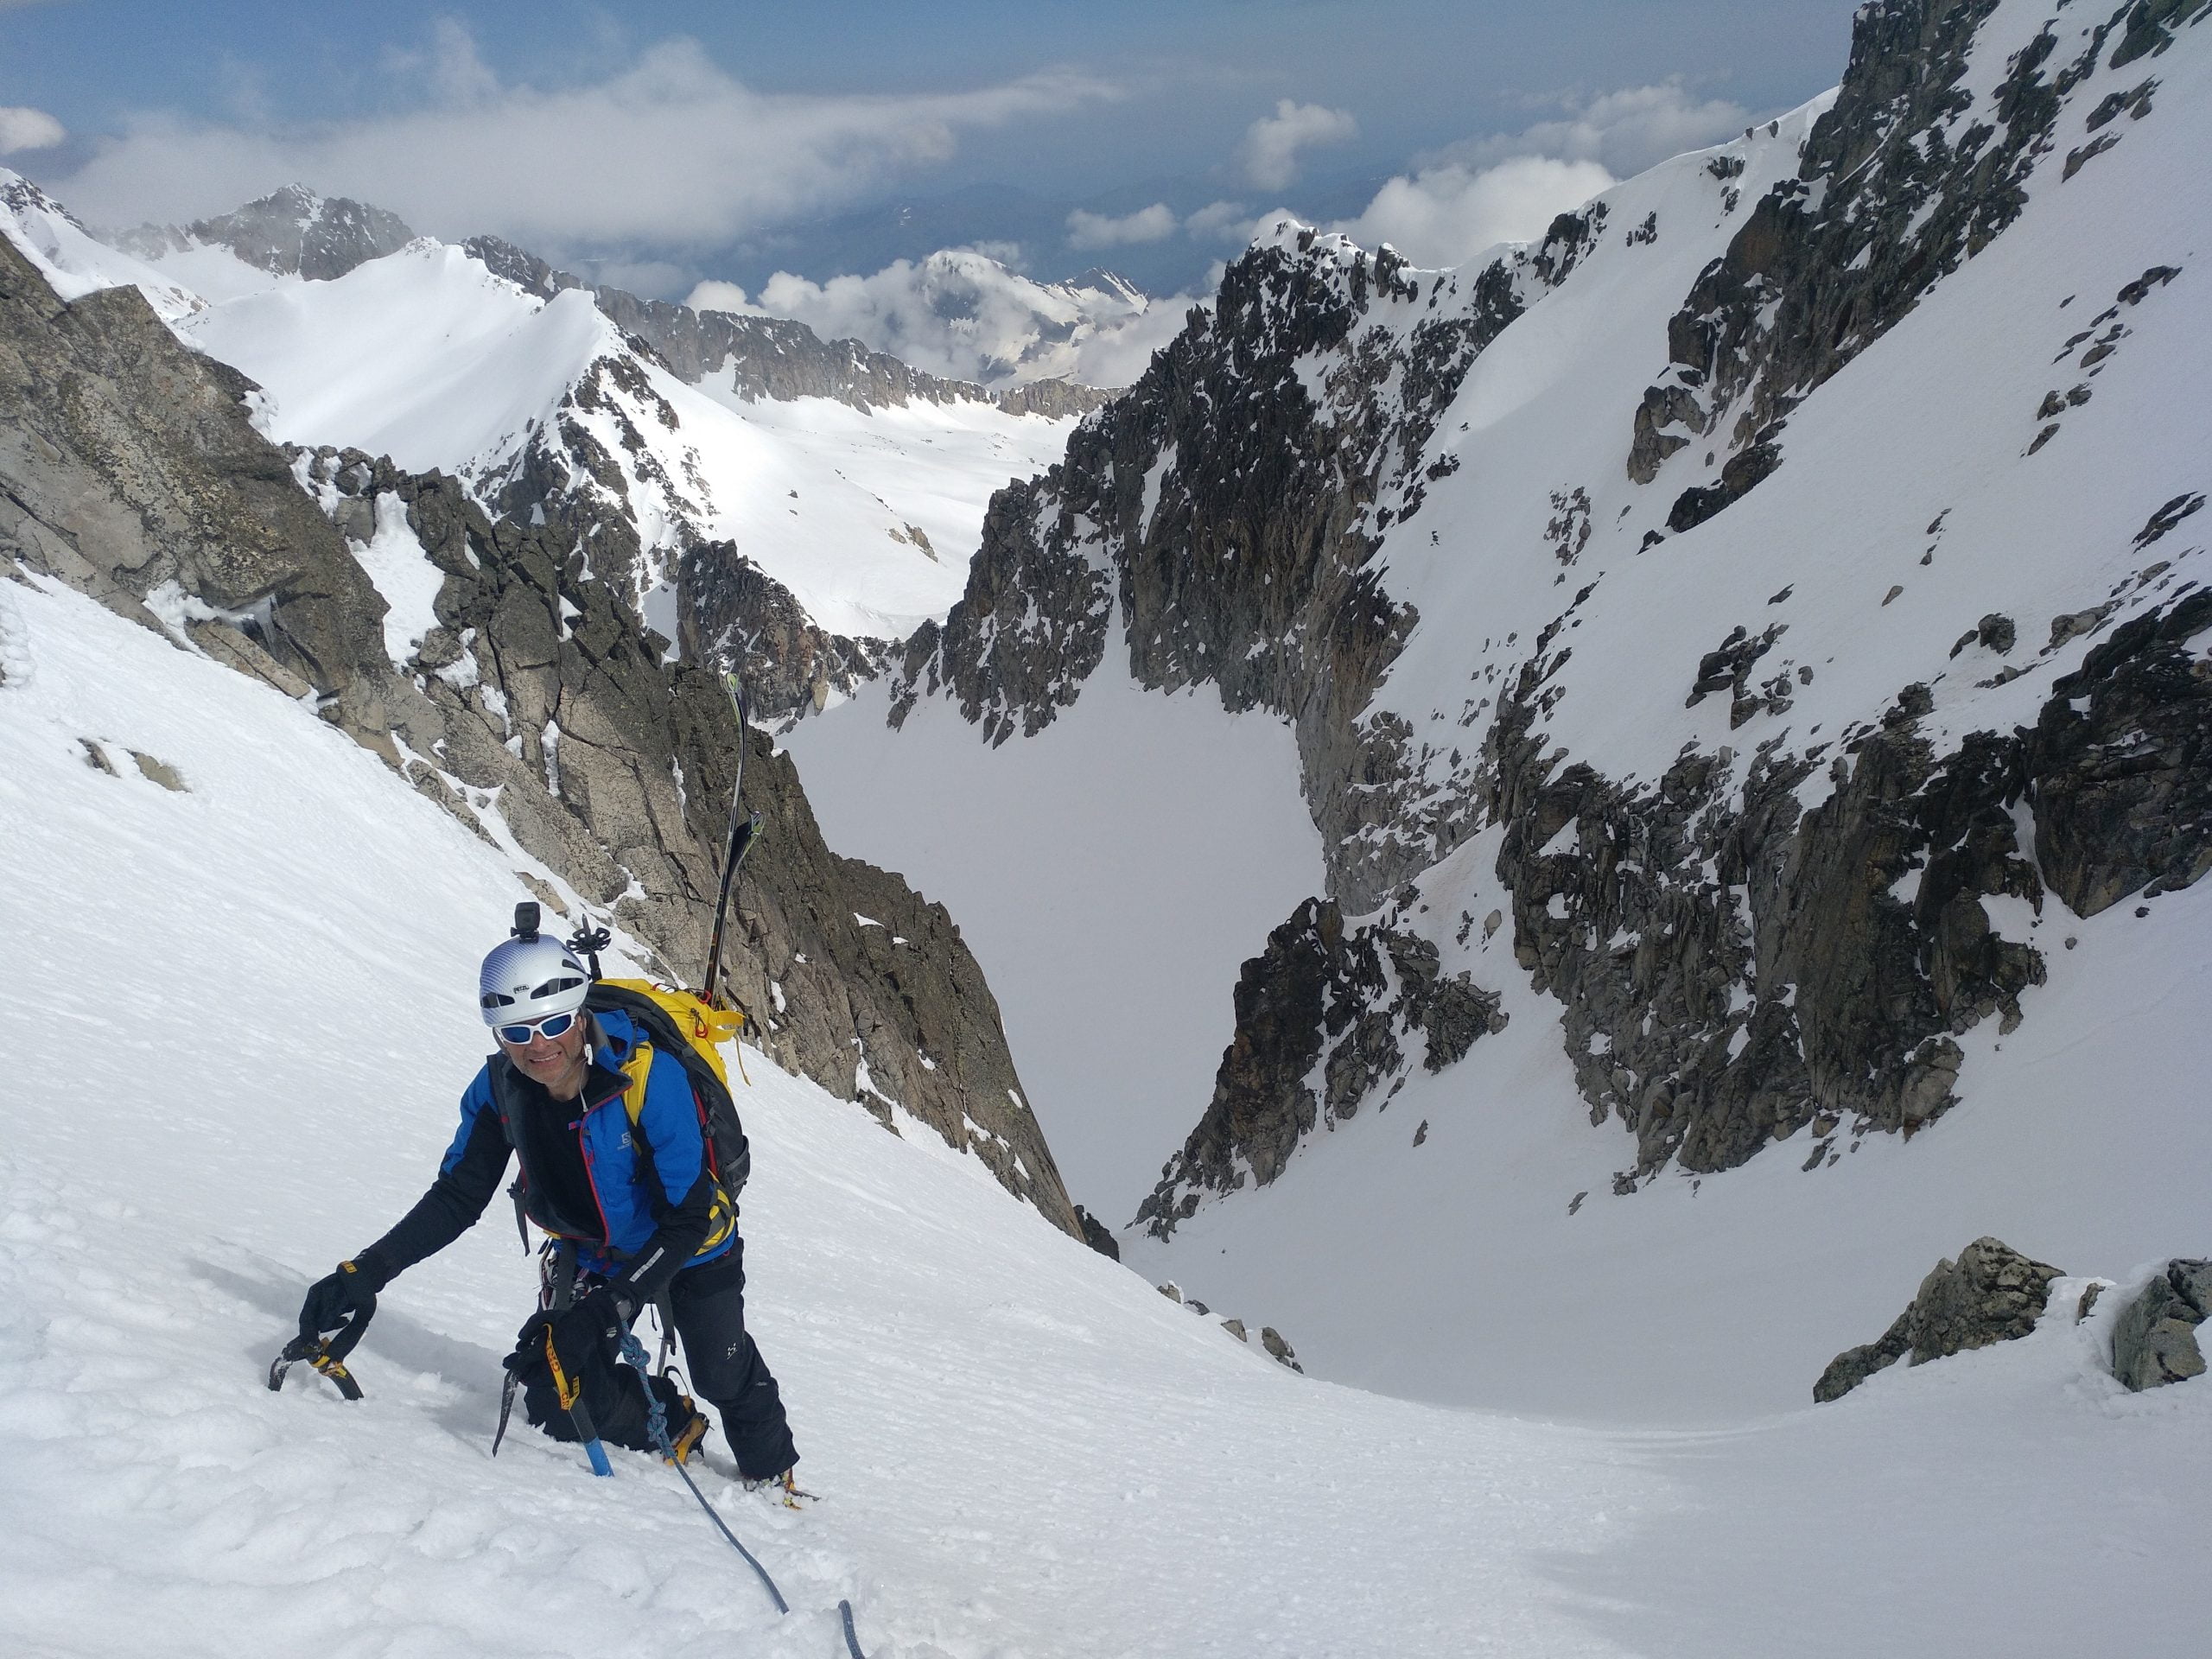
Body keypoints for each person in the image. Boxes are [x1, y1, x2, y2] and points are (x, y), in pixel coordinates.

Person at [295, 930, 799, 1489]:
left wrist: (606, 1309)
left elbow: (688, 1216)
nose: (539, 1047)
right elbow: (459, 1196)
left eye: (554, 1022)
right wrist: (368, 1271)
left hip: (695, 1246)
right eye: (517, 1031)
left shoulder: (650, 1077)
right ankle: (672, 1423)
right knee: (559, 1392)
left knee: (721, 1371)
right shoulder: (500, 1090)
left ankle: (774, 1473)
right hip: (595, 1254)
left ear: (580, 1015)